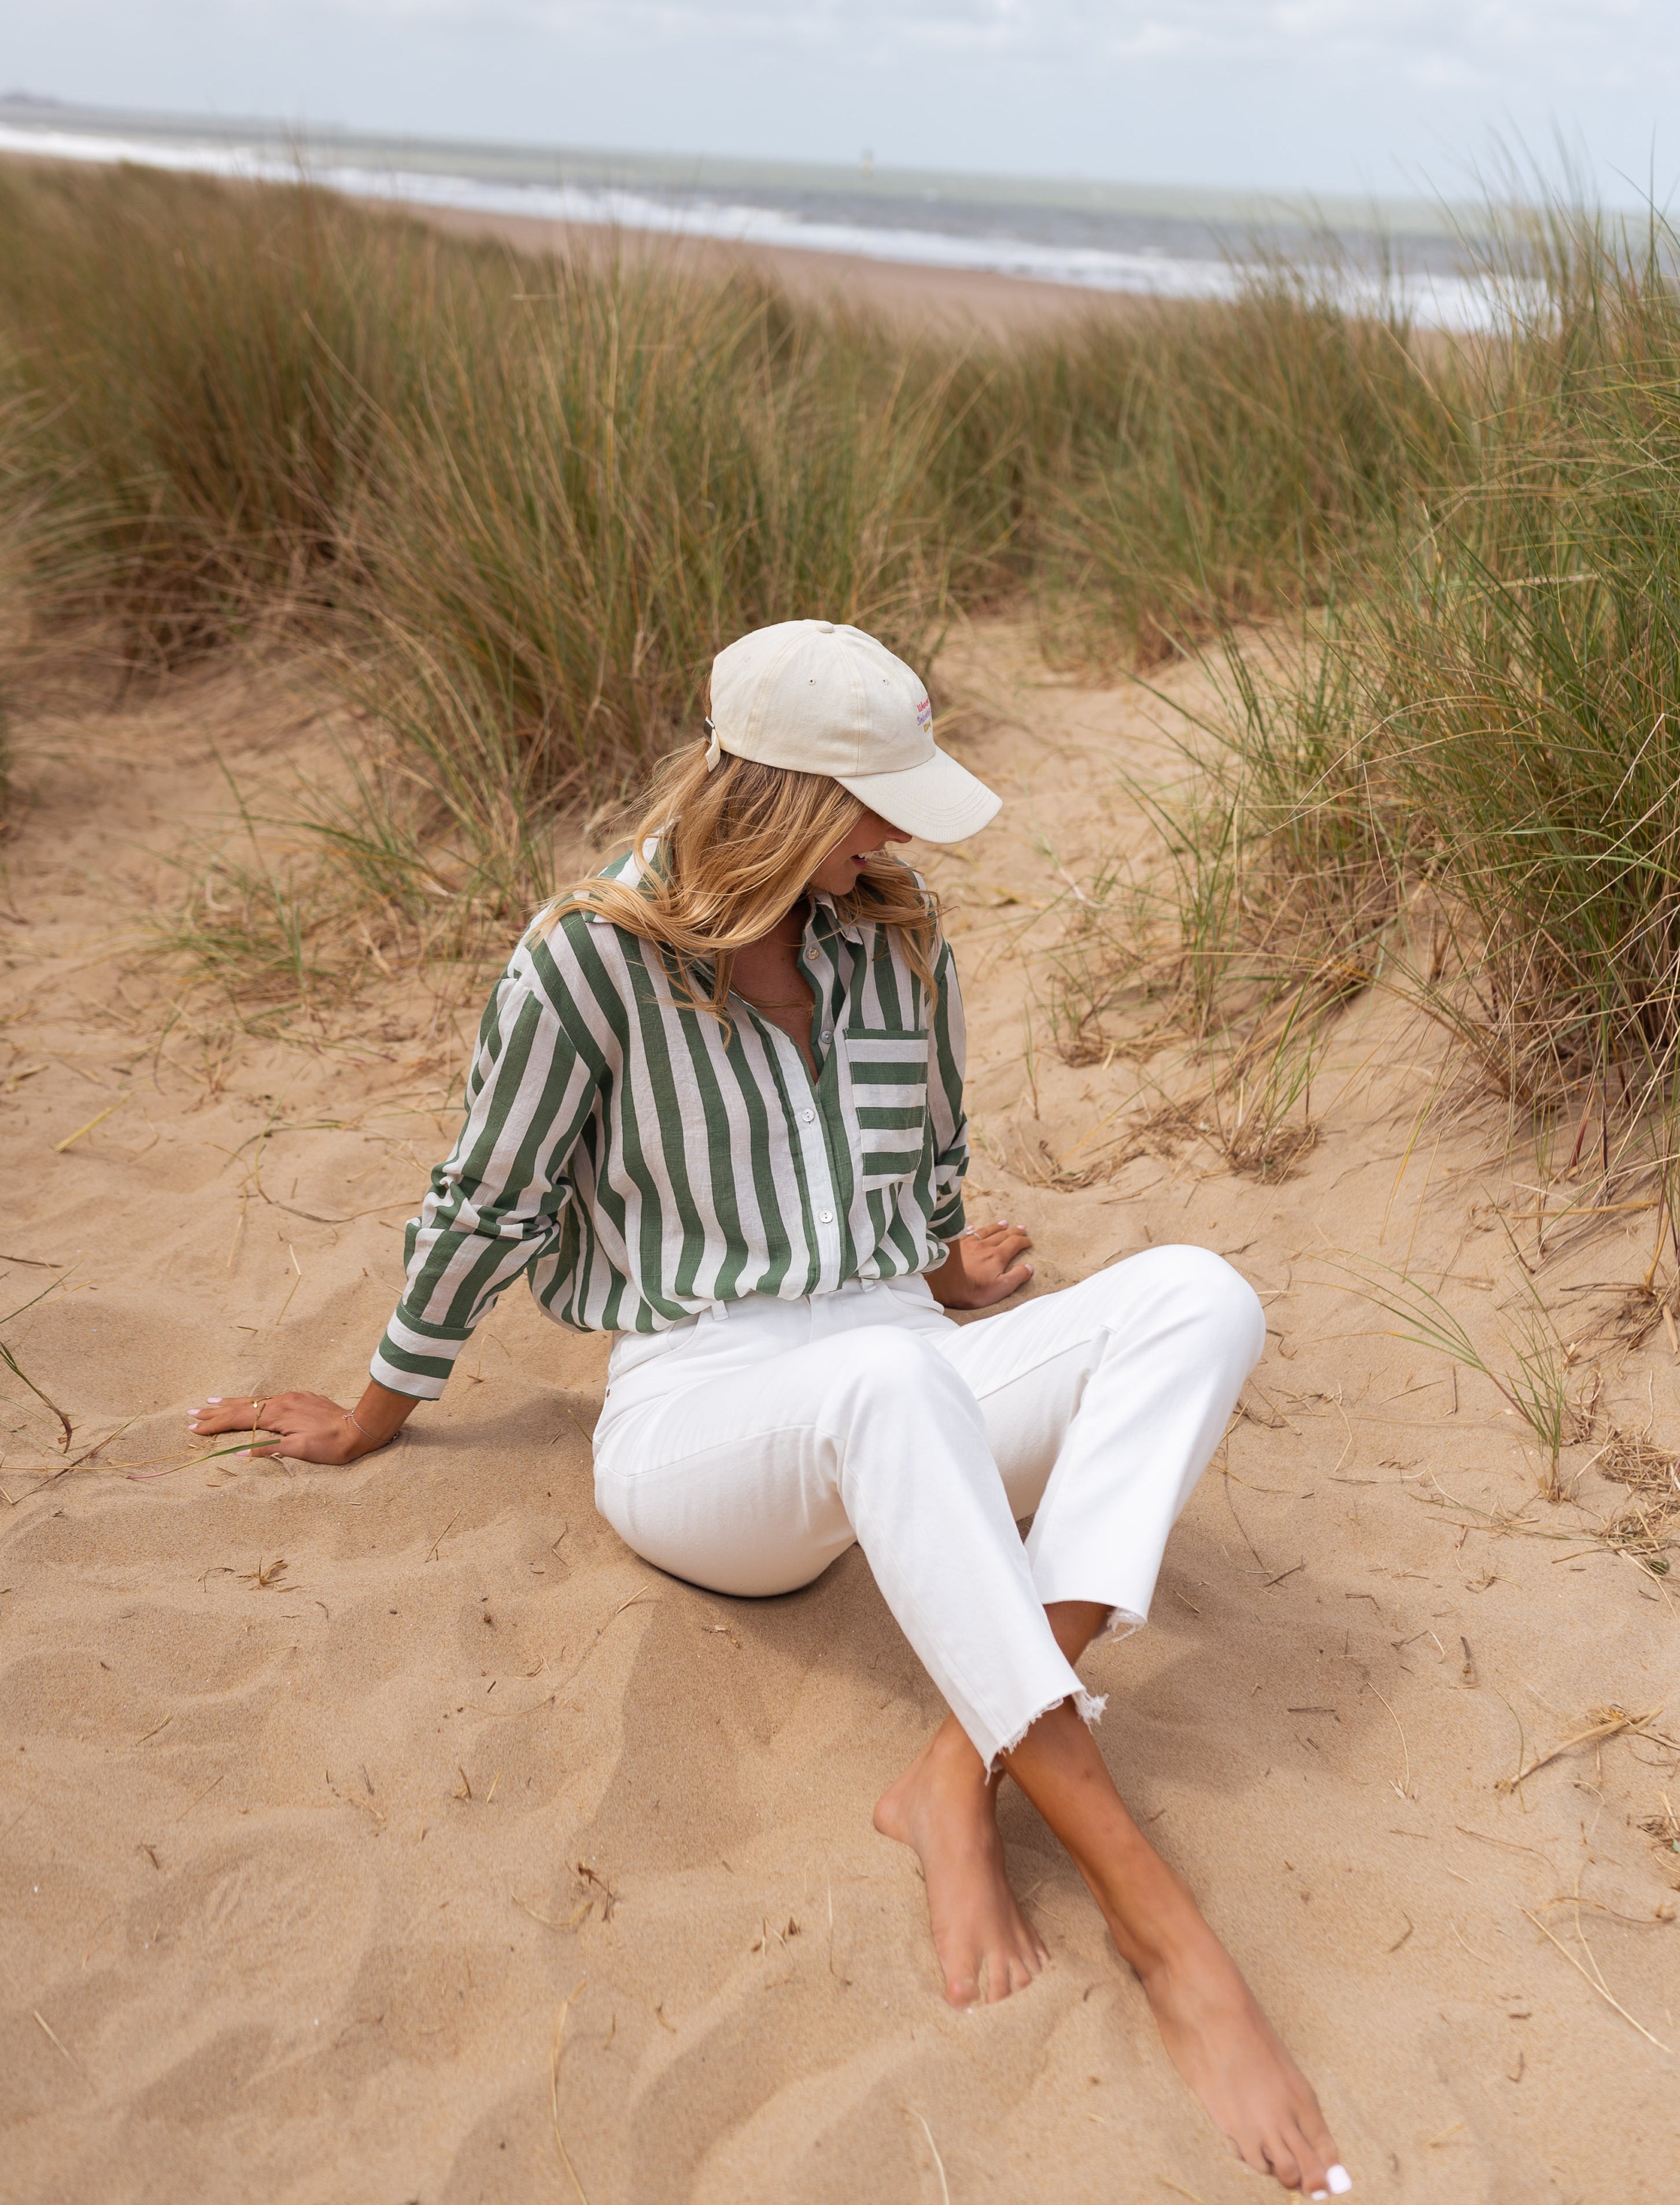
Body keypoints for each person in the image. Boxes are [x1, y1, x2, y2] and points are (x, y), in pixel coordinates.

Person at [190, 620, 1353, 2199]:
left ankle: (955, 1765)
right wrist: (376, 1409)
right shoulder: (586, 960)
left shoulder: (890, 937)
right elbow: (488, 1200)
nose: (896, 833)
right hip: (702, 1417)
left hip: (895, 1356)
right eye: (871, 799)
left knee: (1197, 1293)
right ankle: (1153, 1913)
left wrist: (942, 1271)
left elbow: (926, 1145)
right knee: (878, 1379)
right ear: (775, 789)